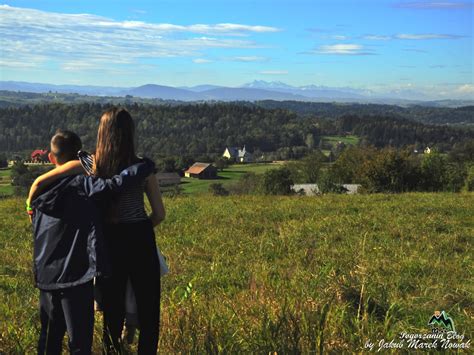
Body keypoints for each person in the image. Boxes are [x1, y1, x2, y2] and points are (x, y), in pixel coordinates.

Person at [30, 108, 166, 354]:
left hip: (109, 240)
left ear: (102, 133)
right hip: (140, 238)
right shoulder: (143, 167)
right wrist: (140, 228)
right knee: (149, 313)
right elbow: (159, 213)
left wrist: (31, 202)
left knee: (112, 314)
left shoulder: (90, 165)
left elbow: (43, 181)